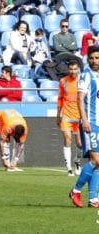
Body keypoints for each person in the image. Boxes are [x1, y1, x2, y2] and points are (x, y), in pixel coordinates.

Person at [69, 46, 99, 208]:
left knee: (96, 162)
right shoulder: (86, 76)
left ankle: (93, 198)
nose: (94, 61)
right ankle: (76, 190)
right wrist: (85, 120)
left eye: (97, 58)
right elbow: (79, 100)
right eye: (92, 58)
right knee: (96, 160)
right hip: (91, 122)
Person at [57, 60, 82, 177]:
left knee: (80, 144)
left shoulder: (82, 81)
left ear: (78, 69)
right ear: (68, 69)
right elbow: (60, 99)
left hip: (79, 116)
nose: (72, 71)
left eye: (75, 69)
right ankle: (69, 168)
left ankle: (77, 161)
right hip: (66, 115)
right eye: (71, 69)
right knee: (67, 139)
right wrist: (58, 115)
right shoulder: (63, 81)